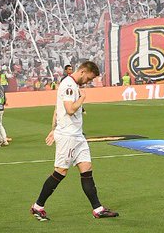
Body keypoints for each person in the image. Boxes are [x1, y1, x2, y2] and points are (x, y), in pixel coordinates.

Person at [29, 61, 119, 221]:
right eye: (89, 79)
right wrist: (82, 98)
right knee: (60, 172)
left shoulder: (73, 85)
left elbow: (58, 110)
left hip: (78, 136)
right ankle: (37, 206)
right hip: (68, 137)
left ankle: (98, 209)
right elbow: (69, 110)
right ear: (83, 71)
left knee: (87, 170)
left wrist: (53, 128)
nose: (89, 82)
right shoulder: (69, 85)